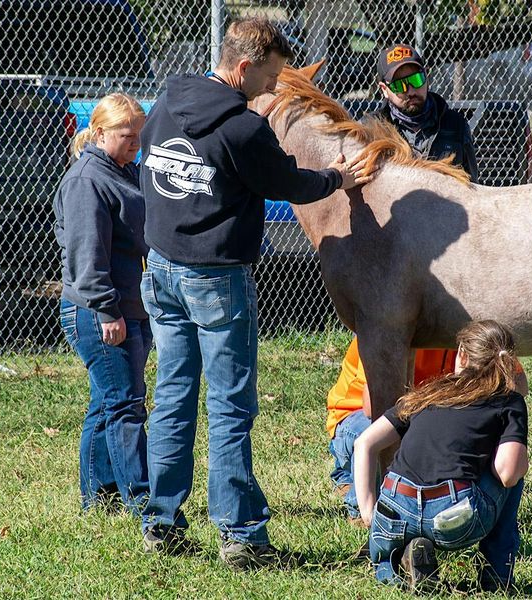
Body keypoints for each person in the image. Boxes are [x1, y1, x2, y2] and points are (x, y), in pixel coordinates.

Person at [136, 17, 371, 569]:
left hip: (162, 270)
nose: (272, 87)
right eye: (268, 77)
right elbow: (288, 184)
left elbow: (153, 165)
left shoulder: (167, 103)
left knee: (172, 394)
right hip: (216, 278)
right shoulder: (242, 129)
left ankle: (160, 521)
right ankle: (241, 536)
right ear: (243, 68)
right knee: (230, 404)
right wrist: (339, 178)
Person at [354, 320, 528, 593]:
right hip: (451, 518)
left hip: (392, 514)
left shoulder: (428, 393)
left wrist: (369, 512)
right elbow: (507, 474)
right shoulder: (508, 403)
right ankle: (496, 575)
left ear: (461, 355)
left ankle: (393, 563)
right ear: (510, 363)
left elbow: (364, 443)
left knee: (389, 559)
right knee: (515, 474)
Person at [53, 93, 151, 515]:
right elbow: (87, 257)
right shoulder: (87, 181)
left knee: (106, 402)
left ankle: (99, 498)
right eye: (127, 136)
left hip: (123, 307)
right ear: (99, 133)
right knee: (126, 405)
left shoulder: (122, 170)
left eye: (139, 136)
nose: (136, 144)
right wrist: (109, 312)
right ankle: (141, 498)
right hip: (98, 312)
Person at [326, 339, 458, 525]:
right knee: (377, 432)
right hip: (354, 415)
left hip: (411, 414)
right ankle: (359, 511)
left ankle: (346, 476)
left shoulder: (454, 337)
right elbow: (372, 408)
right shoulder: (382, 330)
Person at [368, 43, 479, 180]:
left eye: (416, 79)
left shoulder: (456, 125)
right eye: (399, 85)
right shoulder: (370, 129)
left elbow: (472, 185)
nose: (411, 91)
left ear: (426, 76)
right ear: (384, 89)